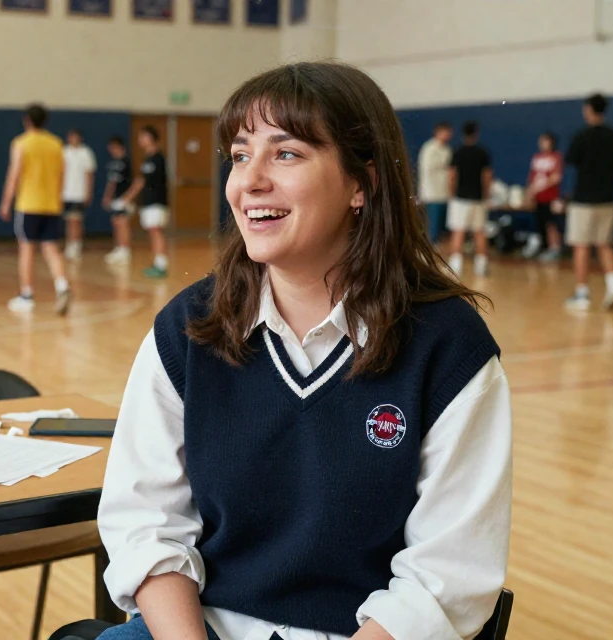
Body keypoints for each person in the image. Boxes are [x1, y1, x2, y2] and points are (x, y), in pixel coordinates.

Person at [96, 62, 511, 640]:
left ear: (361, 183)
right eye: (241, 155)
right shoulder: (189, 328)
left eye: (285, 154)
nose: (250, 181)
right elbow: (146, 524)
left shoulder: (449, 348)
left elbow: (447, 575)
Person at [0, 103, 71, 314]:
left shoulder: (21, 143)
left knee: (26, 249)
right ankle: (63, 286)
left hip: (28, 204)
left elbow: (14, 174)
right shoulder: (56, 144)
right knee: (51, 249)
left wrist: (5, 202)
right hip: (51, 204)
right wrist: (57, 199)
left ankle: (27, 295)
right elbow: (62, 175)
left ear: (27, 120)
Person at [563, 94, 613, 311]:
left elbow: (571, 161)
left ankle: (582, 294)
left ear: (588, 109)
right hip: (608, 199)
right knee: (604, 243)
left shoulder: (581, 136)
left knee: (581, 245)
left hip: (584, 200)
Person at [117, 126, 170, 278]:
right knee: (152, 232)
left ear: (151, 137)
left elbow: (141, 181)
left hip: (157, 201)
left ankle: (161, 264)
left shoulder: (158, 158)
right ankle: (157, 262)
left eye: (143, 136)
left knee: (156, 230)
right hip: (148, 201)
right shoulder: (147, 158)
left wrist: (127, 197)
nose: (140, 140)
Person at [446, 121, 492, 276]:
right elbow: (487, 177)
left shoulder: (457, 152)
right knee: (479, 232)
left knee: (458, 231)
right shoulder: (482, 152)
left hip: (460, 198)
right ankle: (481, 267)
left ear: (463, 133)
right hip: (478, 198)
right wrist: (485, 195)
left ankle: (455, 266)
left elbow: (452, 175)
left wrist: (451, 193)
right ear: (476, 133)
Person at [523, 132, 564, 261]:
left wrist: (541, 186)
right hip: (538, 197)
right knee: (540, 223)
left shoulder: (556, 157)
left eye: (544, 141)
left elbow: (556, 177)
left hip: (550, 196)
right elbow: (531, 177)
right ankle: (544, 247)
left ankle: (555, 248)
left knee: (551, 224)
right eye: (540, 141)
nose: (541, 144)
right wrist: (529, 192)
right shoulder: (537, 157)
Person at [62, 128, 97, 261]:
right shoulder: (64, 152)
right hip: (66, 192)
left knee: (77, 220)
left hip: (79, 192)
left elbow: (89, 174)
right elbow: (61, 172)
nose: (73, 139)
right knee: (69, 220)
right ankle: (69, 243)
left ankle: (76, 244)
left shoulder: (86, 153)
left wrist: (88, 191)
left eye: (75, 137)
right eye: (71, 137)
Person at [417, 121, 453, 245]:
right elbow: (427, 167)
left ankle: (437, 246)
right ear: (437, 132)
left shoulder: (447, 149)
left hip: (444, 192)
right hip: (432, 193)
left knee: (441, 225)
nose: (447, 134)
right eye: (444, 131)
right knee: (432, 222)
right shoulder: (430, 148)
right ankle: (428, 246)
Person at [102, 135, 134, 265]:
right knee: (115, 221)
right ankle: (119, 247)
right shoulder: (112, 163)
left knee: (123, 222)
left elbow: (135, 180)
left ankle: (125, 249)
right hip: (115, 197)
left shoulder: (126, 161)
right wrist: (107, 196)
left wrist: (129, 197)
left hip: (124, 197)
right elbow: (111, 182)